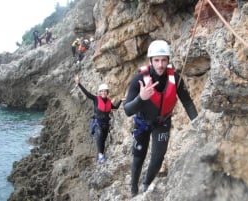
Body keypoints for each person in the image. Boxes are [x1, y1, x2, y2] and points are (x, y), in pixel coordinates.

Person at [123, 40, 198, 196]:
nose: (160, 65)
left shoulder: (175, 79)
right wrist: (141, 98)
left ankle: (146, 185)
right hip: (142, 123)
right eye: (156, 60)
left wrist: (197, 122)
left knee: (157, 158)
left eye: (164, 60)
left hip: (162, 122)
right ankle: (133, 189)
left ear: (168, 60)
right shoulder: (139, 80)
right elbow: (128, 110)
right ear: (150, 61)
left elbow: (188, 103)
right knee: (138, 158)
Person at [74, 74, 123, 163]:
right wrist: (79, 83)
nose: (103, 92)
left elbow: (115, 108)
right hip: (98, 123)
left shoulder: (109, 102)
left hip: (106, 124)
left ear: (107, 92)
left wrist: (121, 100)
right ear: (100, 92)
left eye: (105, 91)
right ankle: (101, 155)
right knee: (99, 136)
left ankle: (101, 154)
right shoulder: (96, 99)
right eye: (102, 91)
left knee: (103, 140)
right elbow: (87, 94)